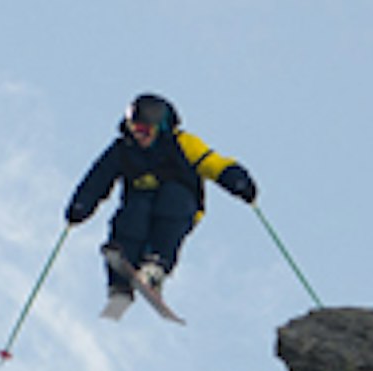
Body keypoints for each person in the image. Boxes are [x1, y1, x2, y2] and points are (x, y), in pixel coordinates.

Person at [65, 93, 257, 318]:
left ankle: (156, 266)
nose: (139, 136)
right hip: (142, 202)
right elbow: (97, 179)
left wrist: (237, 180)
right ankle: (120, 285)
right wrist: (81, 205)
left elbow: (213, 163)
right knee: (132, 215)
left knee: (170, 199)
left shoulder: (182, 143)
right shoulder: (123, 149)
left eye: (145, 130)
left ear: (160, 128)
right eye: (134, 128)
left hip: (181, 204)